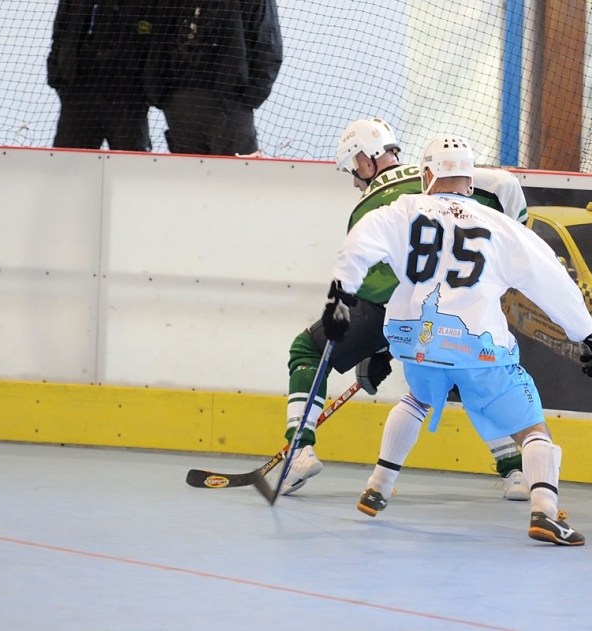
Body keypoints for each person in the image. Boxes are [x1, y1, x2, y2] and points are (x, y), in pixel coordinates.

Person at [320, 135, 592, 546]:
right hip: (478, 345)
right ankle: (545, 512)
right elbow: (551, 280)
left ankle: (377, 487)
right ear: (470, 182)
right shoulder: (501, 226)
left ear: (427, 175)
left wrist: (339, 298)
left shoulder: (401, 210)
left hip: (416, 342)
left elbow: (358, 245)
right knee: (532, 429)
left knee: (417, 400)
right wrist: (587, 334)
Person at [281, 118, 533, 501]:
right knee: (466, 374)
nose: (355, 182)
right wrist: (519, 239)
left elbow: (375, 290)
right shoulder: (443, 178)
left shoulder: (366, 209)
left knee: (307, 350)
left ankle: (299, 451)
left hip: (393, 311)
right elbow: (506, 185)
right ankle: (516, 471)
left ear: (366, 160)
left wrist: (381, 345)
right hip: (452, 307)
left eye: (354, 170)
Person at [142, 0, 282, 156]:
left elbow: (267, 44)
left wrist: (247, 98)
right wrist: (159, 91)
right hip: (180, 98)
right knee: (189, 169)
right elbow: (158, 35)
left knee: (236, 169)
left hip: (229, 99)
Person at [47, 0, 154, 151]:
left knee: (131, 160)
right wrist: (57, 76)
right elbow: (60, 32)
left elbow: (158, 37)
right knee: (69, 160)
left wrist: (149, 90)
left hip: (127, 92)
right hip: (79, 88)